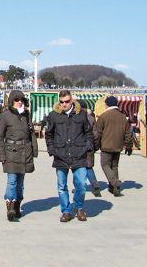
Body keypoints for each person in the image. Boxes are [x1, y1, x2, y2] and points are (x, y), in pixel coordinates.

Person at [45, 90, 93, 223]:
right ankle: (66, 210)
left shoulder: (81, 114)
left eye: (66, 101)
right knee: (62, 186)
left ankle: (78, 207)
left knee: (81, 185)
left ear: (71, 100)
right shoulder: (54, 115)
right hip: (60, 155)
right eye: (61, 102)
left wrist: (88, 146)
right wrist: (52, 150)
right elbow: (49, 134)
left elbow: (88, 132)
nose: (64, 104)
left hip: (79, 155)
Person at [0, 90, 37, 221]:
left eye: (21, 100)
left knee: (20, 183)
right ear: (12, 101)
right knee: (12, 181)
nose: (19, 102)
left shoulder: (26, 114)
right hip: (11, 152)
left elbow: (31, 134)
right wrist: (1, 155)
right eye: (16, 100)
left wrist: (34, 150)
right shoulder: (5, 115)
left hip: (25, 152)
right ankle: (10, 206)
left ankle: (18, 204)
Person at [93, 96, 132, 197]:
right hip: (118, 145)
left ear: (107, 104)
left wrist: (96, 146)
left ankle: (115, 183)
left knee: (105, 164)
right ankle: (114, 189)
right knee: (114, 166)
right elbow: (128, 133)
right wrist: (129, 145)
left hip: (106, 145)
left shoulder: (103, 116)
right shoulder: (123, 116)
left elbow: (98, 133)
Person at [84, 108, 101, 197]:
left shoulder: (75, 117)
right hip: (89, 145)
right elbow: (96, 135)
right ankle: (95, 185)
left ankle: (79, 187)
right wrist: (96, 146)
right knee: (89, 167)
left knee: (78, 168)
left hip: (78, 147)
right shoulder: (91, 118)